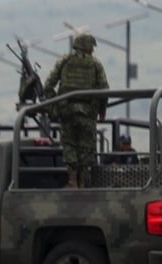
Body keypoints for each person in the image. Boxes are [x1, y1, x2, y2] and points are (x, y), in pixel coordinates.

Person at [42, 32, 109, 188]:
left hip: (67, 111)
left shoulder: (63, 61)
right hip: (87, 113)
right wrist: (102, 110)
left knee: (70, 144)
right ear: (88, 47)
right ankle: (83, 181)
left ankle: (72, 181)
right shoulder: (96, 64)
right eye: (92, 47)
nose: (93, 50)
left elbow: (48, 86)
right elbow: (104, 89)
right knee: (87, 147)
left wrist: (54, 105)